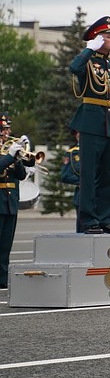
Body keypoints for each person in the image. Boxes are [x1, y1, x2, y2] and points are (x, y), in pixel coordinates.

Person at [68, 16, 110, 234]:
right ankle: (89, 220)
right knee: (89, 175)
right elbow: (74, 68)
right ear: (98, 39)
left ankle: (106, 219)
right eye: (109, 36)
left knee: (109, 176)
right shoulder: (87, 62)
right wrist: (89, 50)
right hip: (91, 125)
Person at [0, 114, 29, 290]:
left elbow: (21, 175)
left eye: (7, 129)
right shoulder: (6, 153)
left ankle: (2, 279)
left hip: (10, 202)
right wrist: (10, 156)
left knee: (5, 245)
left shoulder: (8, 150)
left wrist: (18, 158)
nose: (8, 132)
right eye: (4, 130)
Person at [60, 129, 82, 233]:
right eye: (78, 133)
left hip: (100, 195)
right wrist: (84, 181)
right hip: (82, 195)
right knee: (83, 231)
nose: (80, 135)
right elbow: (65, 176)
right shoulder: (72, 153)